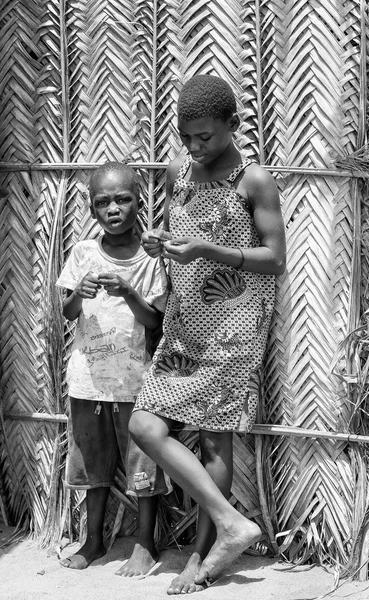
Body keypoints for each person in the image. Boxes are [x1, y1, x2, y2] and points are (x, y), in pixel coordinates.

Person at [129, 74, 286, 594]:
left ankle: (201, 557)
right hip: (182, 318)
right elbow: (184, 231)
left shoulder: (254, 180)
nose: (194, 147)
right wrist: (161, 244)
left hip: (234, 327)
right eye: (186, 136)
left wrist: (206, 253)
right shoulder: (179, 171)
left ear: (233, 126)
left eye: (206, 137)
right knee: (146, 426)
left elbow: (274, 259)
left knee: (216, 440)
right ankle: (231, 523)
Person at [56, 161, 171, 575]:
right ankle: (93, 540)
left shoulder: (149, 259)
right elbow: (68, 313)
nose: (113, 209)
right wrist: (79, 294)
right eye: (102, 202)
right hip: (88, 380)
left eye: (122, 199)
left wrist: (128, 292)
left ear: (139, 201)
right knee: (92, 462)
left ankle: (145, 542)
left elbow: (154, 320)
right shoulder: (83, 253)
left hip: (135, 382)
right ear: (90, 208)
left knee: (142, 462)